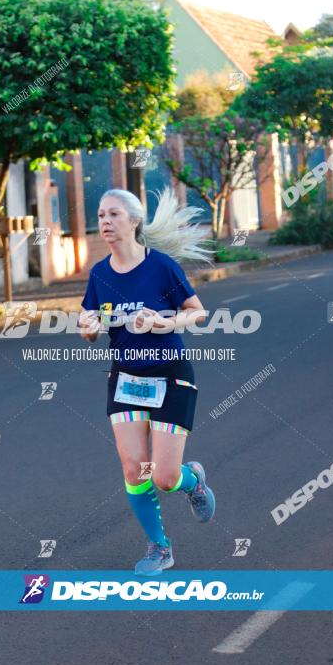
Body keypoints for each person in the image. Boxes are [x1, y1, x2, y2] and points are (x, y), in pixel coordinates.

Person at [79, 187, 216, 576]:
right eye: (102, 215)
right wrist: (87, 327)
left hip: (171, 377)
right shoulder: (100, 274)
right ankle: (160, 546)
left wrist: (165, 321)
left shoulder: (162, 267)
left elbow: (198, 313)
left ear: (134, 221)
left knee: (165, 477)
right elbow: (89, 322)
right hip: (125, 379)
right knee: (133, 468)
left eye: (114, 214)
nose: (105, 222)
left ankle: (193, 482)